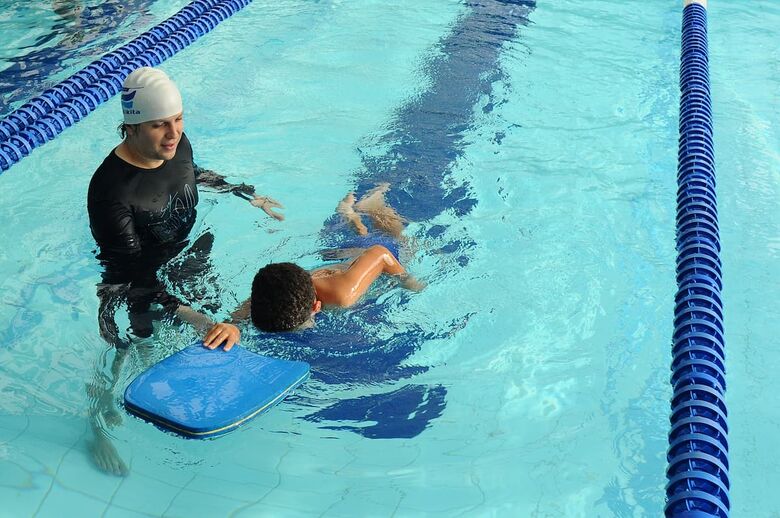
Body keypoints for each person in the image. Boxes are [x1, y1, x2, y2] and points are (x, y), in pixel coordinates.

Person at [86, 66, 283, 476]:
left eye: (178, 120)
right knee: (127, 349)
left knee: (216, 331)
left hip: (187, 254)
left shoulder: (175, 144)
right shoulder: (111, 193)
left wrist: (247, 194)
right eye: (160, 125)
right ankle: (97, 422)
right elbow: (131, 276)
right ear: (132, 127)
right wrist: (188, 314)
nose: (173, 133)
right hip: (135, 281)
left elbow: (192, 172)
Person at [201, 184, 424, 348]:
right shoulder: (269, 299)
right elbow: (248, 308)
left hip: (360, 256)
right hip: (330, 261)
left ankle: (372, 205)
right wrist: (231, 324)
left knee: (402, 243)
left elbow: (380, 254)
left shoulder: (343, 295)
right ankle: (349, 215)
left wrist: (406, 280)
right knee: (360, 236)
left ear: (317, 307)